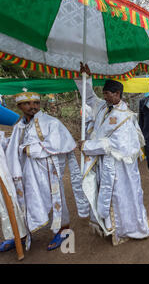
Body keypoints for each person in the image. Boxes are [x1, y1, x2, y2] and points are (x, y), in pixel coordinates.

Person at [76, 63, 149, 245]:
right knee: (105, 194)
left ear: (117, 94)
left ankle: (126, 229)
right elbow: (90, 98)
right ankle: (108, 225)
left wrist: (88, 145)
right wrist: (86, 78)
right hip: (106, 163)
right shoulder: (103, 106)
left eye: (107, 94)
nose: (104, 96)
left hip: (120, 169)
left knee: (121, 197)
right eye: (104, 94)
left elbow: (114, 144)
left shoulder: (126, 116)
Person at [4, 92, 85, 251]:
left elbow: (58, 144)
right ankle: (23, 233)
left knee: (56, 197)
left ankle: (63, 230)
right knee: (28, 200)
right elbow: (14, 147)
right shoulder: (19, 125)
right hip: (25, 172)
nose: (33, 106)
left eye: (36, 103)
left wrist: (30, 149)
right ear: (19, 106)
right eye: (27, 103)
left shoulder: (51, 122)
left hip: (48, 171)